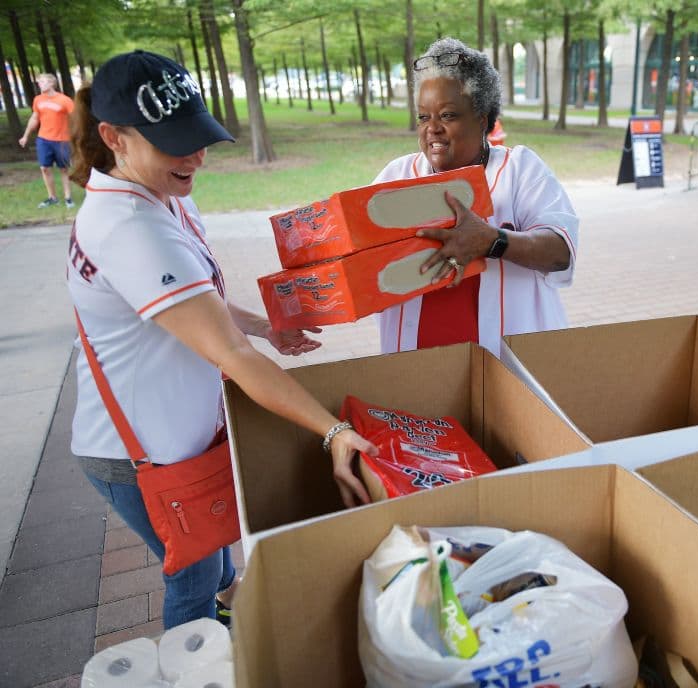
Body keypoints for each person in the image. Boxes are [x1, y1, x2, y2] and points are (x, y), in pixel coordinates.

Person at [66, 50, 378, 629]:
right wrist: (332, 431)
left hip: (173, 434)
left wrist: (266, 326)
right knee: (194, 577)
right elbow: (231, 354)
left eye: (199, 136)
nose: (196, 156)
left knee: (215, 565)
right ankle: (196, 659)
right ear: (113, 138)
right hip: (138, 453)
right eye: (174, 143)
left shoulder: (161, 195)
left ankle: (231, 628)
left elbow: (196, 303)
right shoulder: (130, 229)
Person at [373, 38, 578, 356]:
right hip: (416, 367)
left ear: (482, 119)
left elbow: (561, 252)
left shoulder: (519, 169)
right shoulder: (395, 177)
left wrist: (493, 241)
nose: (432, 129)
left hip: (507, 365)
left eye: (447, 115)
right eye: (424, 117)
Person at [19, 73, 76, 208]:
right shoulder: (38, 100)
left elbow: (75, 119)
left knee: (64, 169)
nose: (40, 84)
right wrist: (25, 136)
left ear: (51, 83)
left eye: (43, 82)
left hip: (62, 141)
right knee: (44, 168)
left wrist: (76, 137)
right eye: (39, 82)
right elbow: (35, 118)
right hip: (43, 139)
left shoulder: (65, 100)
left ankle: (68, 198)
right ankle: (52, 198)